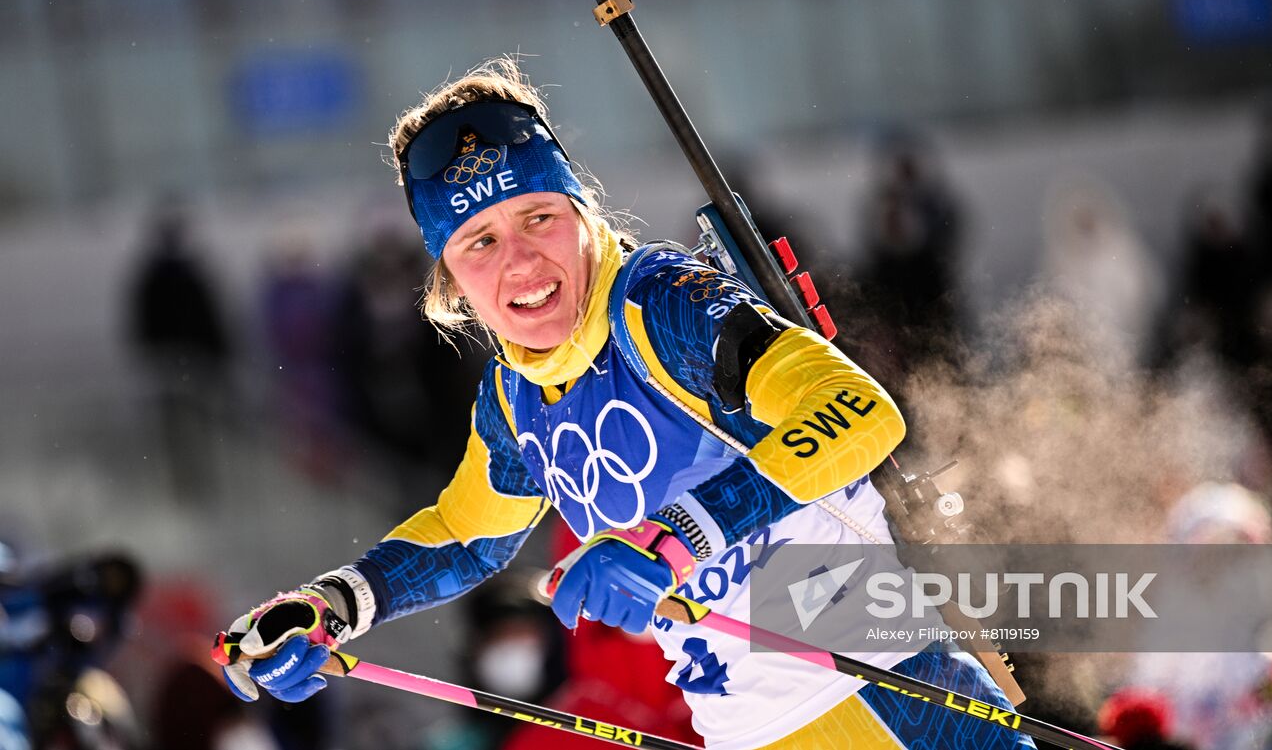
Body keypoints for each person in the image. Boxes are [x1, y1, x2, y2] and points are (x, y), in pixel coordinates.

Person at [214, 58, 1028, 749]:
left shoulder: (662, 306)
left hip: (880, 695)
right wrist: (331, 603)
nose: (522, 261)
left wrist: (673, 539)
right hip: (746, 729)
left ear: (580, 213)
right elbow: (467, 534)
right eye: (480, 242)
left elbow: (858, 407)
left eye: (539, 217)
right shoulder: (515, 399)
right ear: (450, 276)